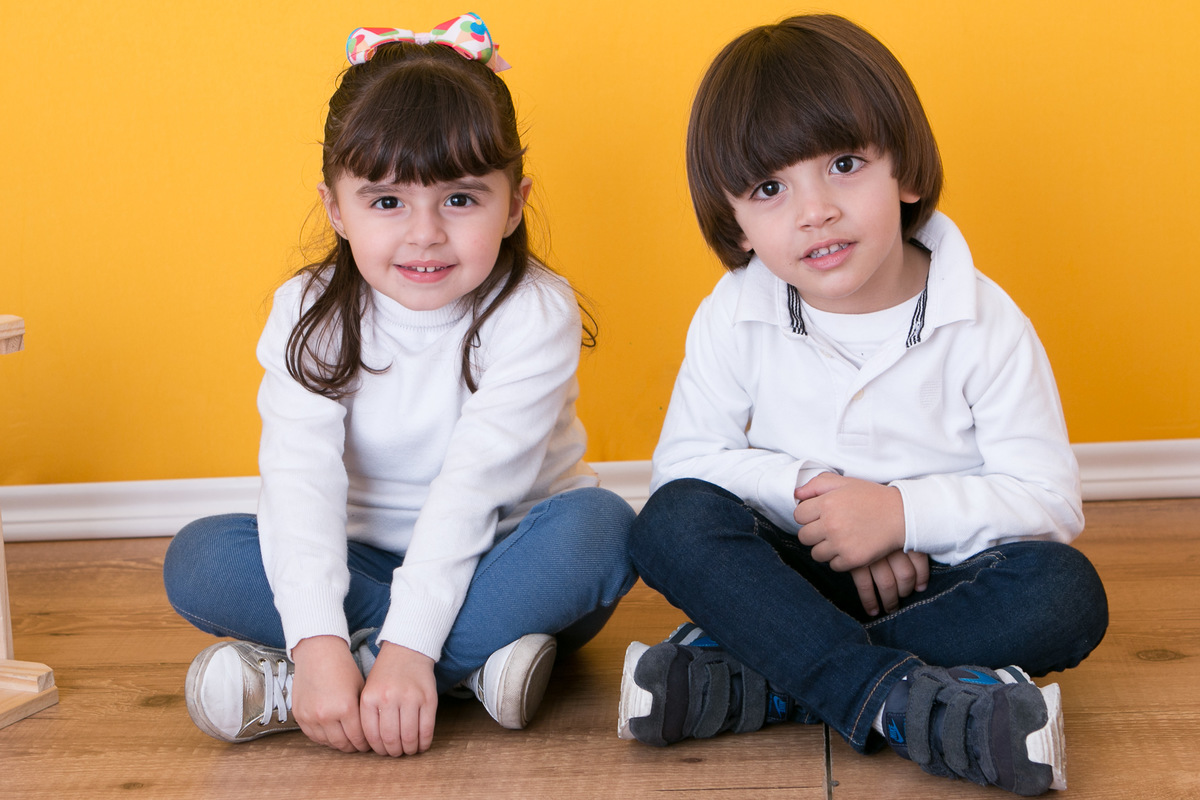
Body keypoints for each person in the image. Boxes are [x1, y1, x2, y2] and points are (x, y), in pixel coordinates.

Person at [617, 14, 1107, 797]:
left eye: (844, 164)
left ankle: (765, 679)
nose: (815, 211)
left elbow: (1048, 500)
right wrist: (824, 495)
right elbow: (688, 464)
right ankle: (899, 701)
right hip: (793, 570)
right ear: (735, 221)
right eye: (771, 188)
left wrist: (900, 514)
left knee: (1066, 593)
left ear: (905, 172)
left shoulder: (985, 320)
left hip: (941, 576)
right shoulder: (733, 311)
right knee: (671, 520)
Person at [163, 13, 636, 758]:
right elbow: (300, 479)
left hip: (504, 558)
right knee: (196, 558)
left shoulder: (534, 310)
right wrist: (317, 638)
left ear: (514, 203)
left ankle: (345, 685)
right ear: (335, 209)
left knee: (602, 530)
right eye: (387, 202)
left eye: (460, 199)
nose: (424, 234)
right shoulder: (309, 311)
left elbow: (475, 486)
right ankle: (461, 672)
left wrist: (410, 647)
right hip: (361, 562)